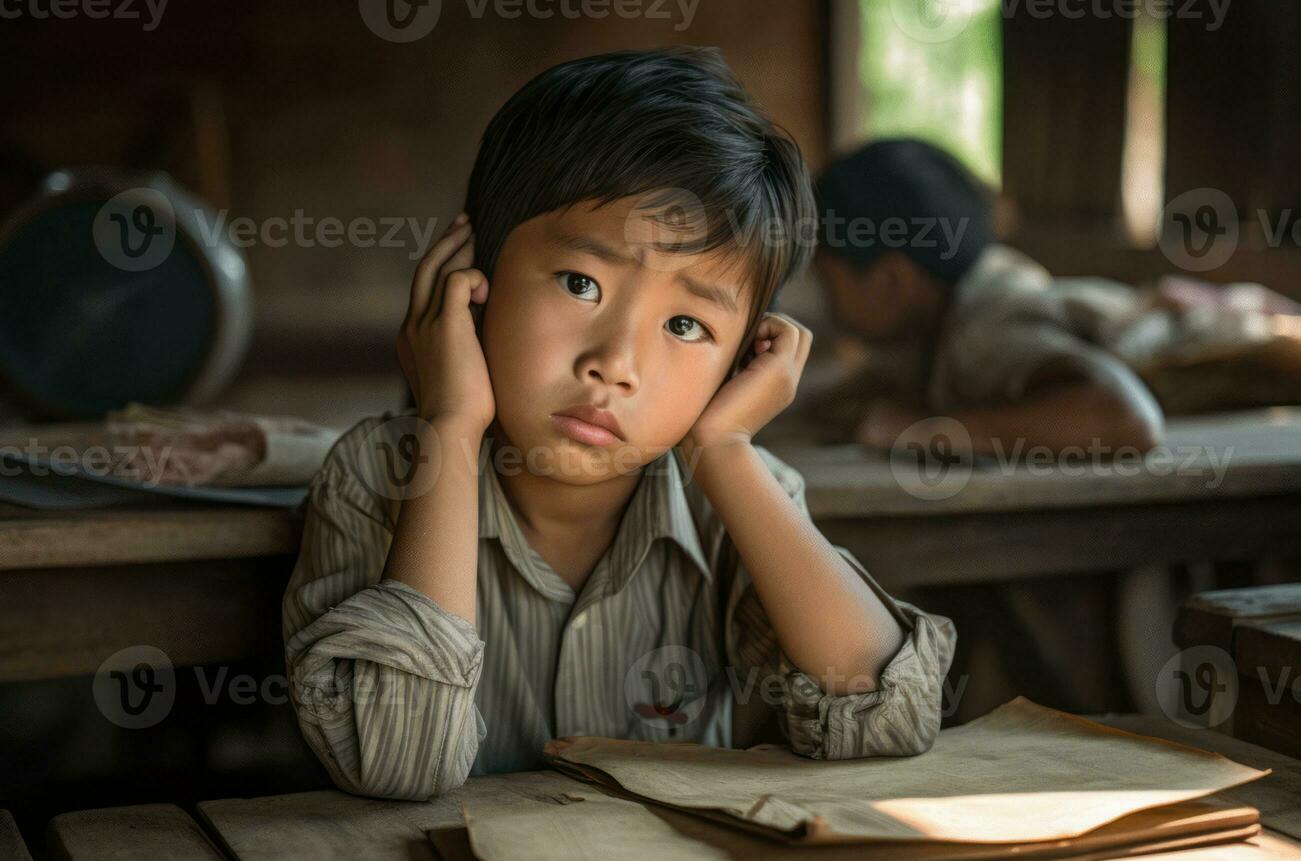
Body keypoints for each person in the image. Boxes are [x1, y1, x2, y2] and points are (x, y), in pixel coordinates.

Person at [280, 48, 957, 801]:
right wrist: (449, 422)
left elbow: (885, 719)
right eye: (581, 283)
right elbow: (396, 764)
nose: (615, 363)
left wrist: (725, 450)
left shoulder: (730, 500)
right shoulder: (377, 478)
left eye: (686, 324)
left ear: (742, 361)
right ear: (471, 284)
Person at [807, 138, 1169, 455]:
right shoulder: (954, 310)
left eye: (827, 280)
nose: (826, 299)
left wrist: (916, 431)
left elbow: (1127, 420)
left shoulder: (984, 329)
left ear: (892, 280)